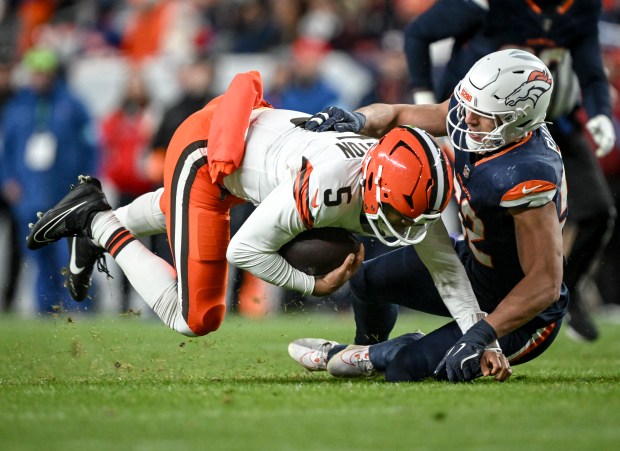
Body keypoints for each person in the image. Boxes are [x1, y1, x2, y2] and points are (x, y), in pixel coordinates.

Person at [25, 70, 465, 340]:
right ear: (372, 179)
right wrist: (314, 287)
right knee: (195, 318)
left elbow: (447, 273)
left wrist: (482, 335)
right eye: (394, 211)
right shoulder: (324, 184)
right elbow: (244, 250)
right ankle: (98, 223)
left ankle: (98, 220)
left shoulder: (406, 190)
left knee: (177, 213)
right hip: (209, 150)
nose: (399, 223)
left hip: (256, 158)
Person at [289, 49, 567, 383]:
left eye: (483, 115)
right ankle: (367, 351)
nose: (468, 120)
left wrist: (481, 335)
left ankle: (380, 355)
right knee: (364, 281)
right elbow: (397, 114)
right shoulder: (478, 115)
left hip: (522, 313)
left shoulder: (525, 175)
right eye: (469, 107)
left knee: (405, 370)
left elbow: (545, 283)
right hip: (476, 265)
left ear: (518, 119)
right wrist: (359, 120)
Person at [402, 0, 617, 341]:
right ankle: (490, 306)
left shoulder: (581, 8)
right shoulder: (487, 6)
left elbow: (589, 67)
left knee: (598, 211)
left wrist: (600, 111)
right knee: (482, 220)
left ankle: (561, 293)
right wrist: (424, 96)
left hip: (544, 121)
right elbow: (418, 33)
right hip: (478, 123)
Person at [1, 47, 98, 313]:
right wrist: (7, 180)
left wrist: (87, 184)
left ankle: (79, 310)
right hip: (29, 195)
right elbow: (6, 150)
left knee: (69, 256)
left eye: (44, 72)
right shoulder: (18, 107)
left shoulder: (73, 105)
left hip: (64, 195)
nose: (39, 77)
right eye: (35, 72)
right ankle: (47, 312)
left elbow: (91, 146)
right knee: (39, 256)